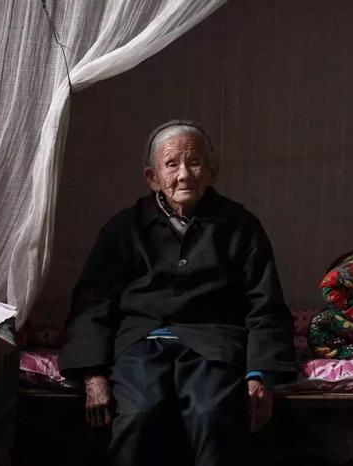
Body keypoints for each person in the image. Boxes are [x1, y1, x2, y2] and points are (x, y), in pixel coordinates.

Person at [58, 120, 297, 466]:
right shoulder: (124, 228)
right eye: (171, 164)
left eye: (194, 163)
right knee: (139, 413)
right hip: (141, 341)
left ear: (212, 171)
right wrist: (93, 375)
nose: (184, 175)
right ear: (152, 177)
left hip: (213, 342)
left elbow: (265, 303)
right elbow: (92, 303)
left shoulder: (241, 226)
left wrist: (260, 374)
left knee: (211, 414)